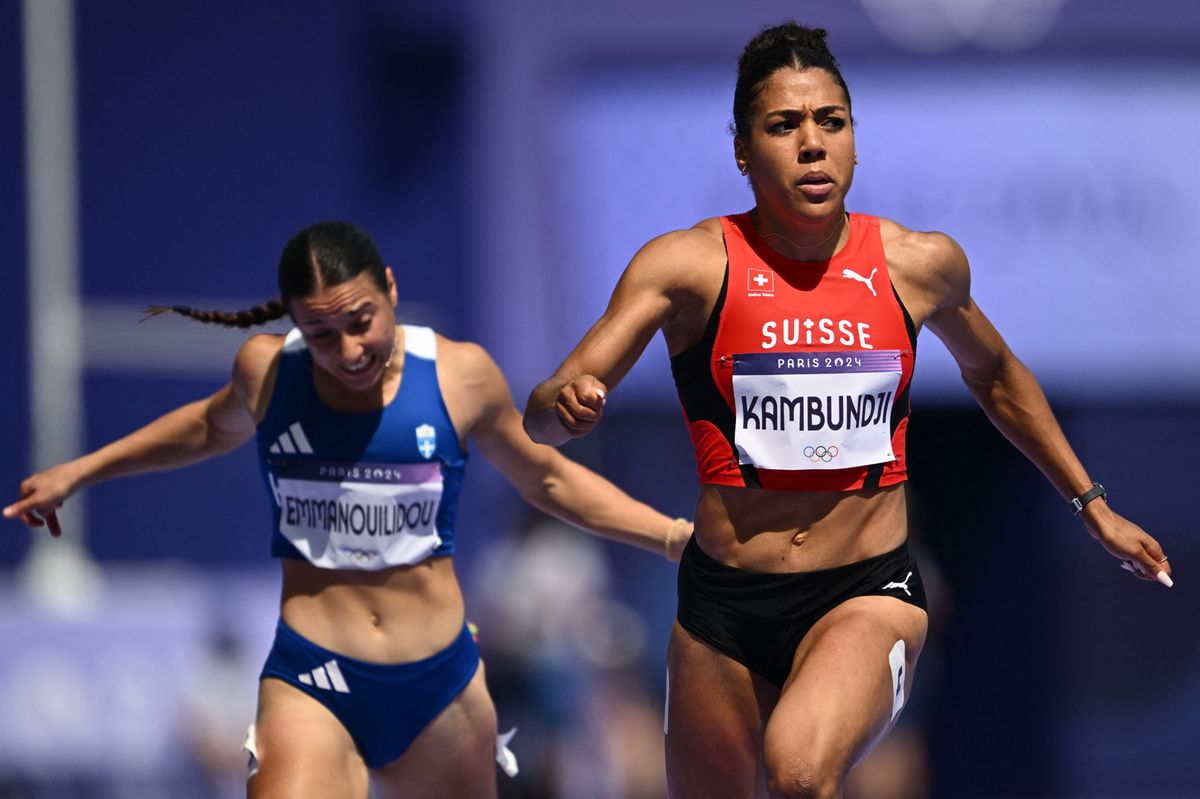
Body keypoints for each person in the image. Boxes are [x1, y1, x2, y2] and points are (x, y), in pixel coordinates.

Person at [522, 22, 1173, 799]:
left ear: (855, 141)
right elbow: (543, 415)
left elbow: (995, 375)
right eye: (783, 124)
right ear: (741, 150)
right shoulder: (686, 266)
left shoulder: (918, 264)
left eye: (830, 121)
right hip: (722, 604)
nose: (812, 144)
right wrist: (567, 404)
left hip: (867, 589)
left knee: (799, 772)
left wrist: (1092, 504)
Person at [3, 220, 693, 799]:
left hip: (440, 685)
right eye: (321, 333)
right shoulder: (268, 372)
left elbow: (547, 479)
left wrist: (668, 536)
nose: (349, 350)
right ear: (294, 323)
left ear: (390, 288)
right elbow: (206, 427)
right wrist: (80, 470)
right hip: (314, 676)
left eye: (361, 321)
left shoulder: (460, 375)